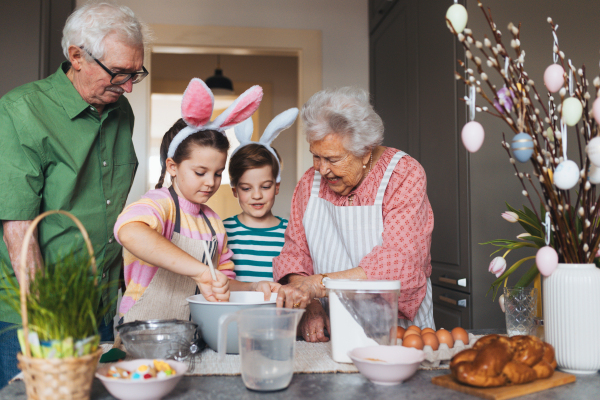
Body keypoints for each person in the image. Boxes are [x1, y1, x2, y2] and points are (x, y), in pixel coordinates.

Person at [0, 2, 149, 388]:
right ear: (77, 56)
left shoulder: (121, 111)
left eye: (136, 74)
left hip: (100, 302)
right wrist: (47, 322)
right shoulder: (20, 111)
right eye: (119, 73)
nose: (129, 87)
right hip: (38, 312)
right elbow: (19, 228)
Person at [273, 87, 435, 343]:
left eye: (332, 159)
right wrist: (310, 304)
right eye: (315, 156)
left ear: (365, 152)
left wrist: (317, 285)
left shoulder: (403, 175)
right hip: (331, 328)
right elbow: (295, 255)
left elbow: (398, 262)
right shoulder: (308, 183)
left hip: (395, 328)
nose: (322, 170)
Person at [114, 78, 279, 322]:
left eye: (218, 173)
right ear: (172, 166)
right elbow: (128, 232)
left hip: (194, 335)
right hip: (145, 333)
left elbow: (222, 283)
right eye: (200, 173)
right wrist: (200, 271)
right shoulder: (160, 204)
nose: (210, 182)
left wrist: (253, 288)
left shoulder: (213, 222)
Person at [223, 108, 298, 282]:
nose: (257, 195)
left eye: (265, 186)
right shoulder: (223, 231)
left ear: (276, 187)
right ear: (235, 190)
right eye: (246, 188)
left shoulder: (291, 233)